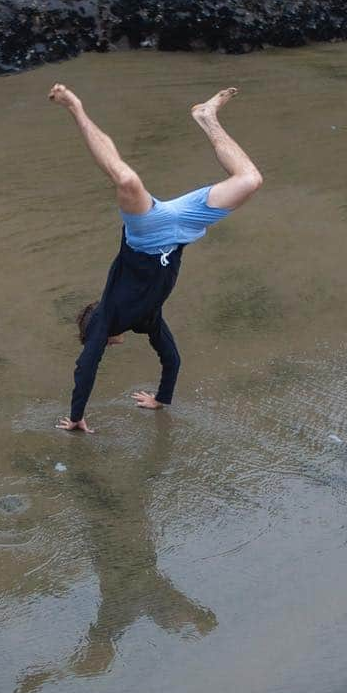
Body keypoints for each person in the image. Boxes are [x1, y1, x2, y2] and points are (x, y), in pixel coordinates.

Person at [49, 82, 262, 432]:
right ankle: (206, 117)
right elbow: (171, 358)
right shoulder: (145, 319)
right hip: (181, 229)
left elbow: (85, 367)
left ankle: (74, 106)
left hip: (147, 233)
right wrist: (162, 399)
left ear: (98, 335)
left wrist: (76, 417)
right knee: (251, 179)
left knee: (127, 178)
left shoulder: (109, 314)